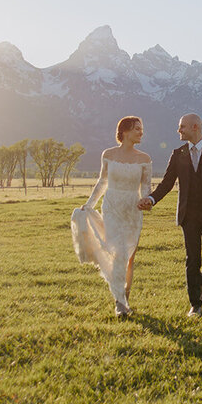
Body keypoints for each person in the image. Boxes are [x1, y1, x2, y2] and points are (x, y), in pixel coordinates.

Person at [138, 113, 202, 317]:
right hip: (189, 215)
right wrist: (151, 199)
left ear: (195, 127)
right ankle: (195, 305)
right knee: (192, 259)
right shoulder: (178, 154)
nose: (179, 130)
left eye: (182, 127)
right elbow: (167, 183)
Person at [71, 116, 152, 318]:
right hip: (112, 207)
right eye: (137, 129)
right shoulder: (108, 154)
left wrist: (146, 201)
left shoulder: (145, 158)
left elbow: (146, 187)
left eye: (141, 129)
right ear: (124, 132)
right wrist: (89, 205)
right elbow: (102, 182)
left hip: (133, 210)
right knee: (118, 252)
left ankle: (125, 297)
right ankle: (120, 303)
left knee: (129, 258)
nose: (141, 132)